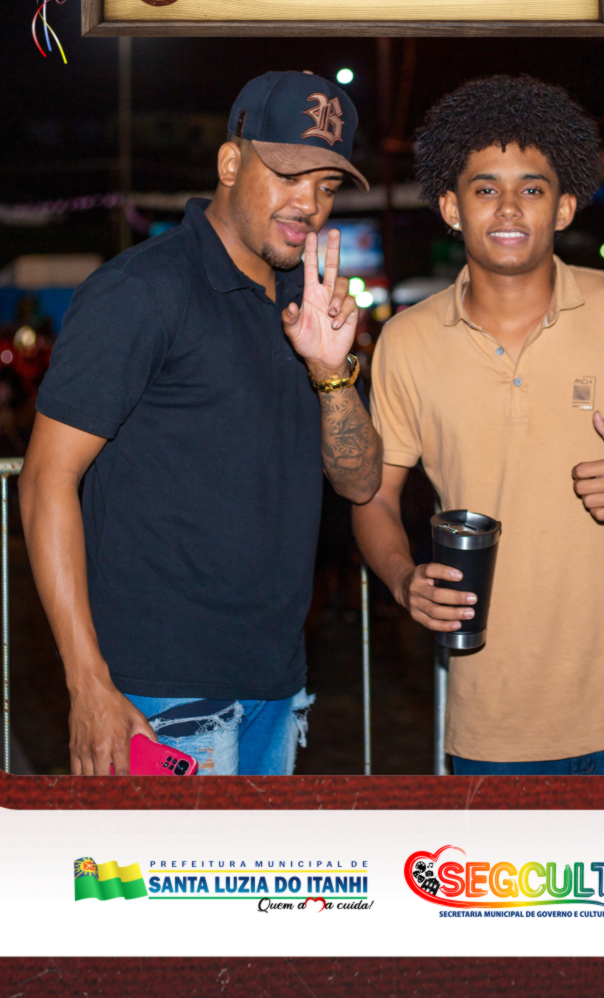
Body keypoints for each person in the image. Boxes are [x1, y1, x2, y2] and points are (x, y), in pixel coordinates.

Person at [19, 71, 383, 777]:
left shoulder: (306, 302)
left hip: (275, 681)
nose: (308, 204)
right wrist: (86, 681)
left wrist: (331, 371)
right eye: (287, 174)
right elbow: (43, 482)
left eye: (327, 185)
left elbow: (360, 482)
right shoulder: (141, 290)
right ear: (230, 162)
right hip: (158, 690)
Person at [353, 75, 604, 775]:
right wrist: (403, 579)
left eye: (531, 188)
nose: (508, 207)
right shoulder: (408, 342)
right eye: (485, 188)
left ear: (563, 207)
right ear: (451, 207)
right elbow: (373, 498)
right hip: (495, 725)